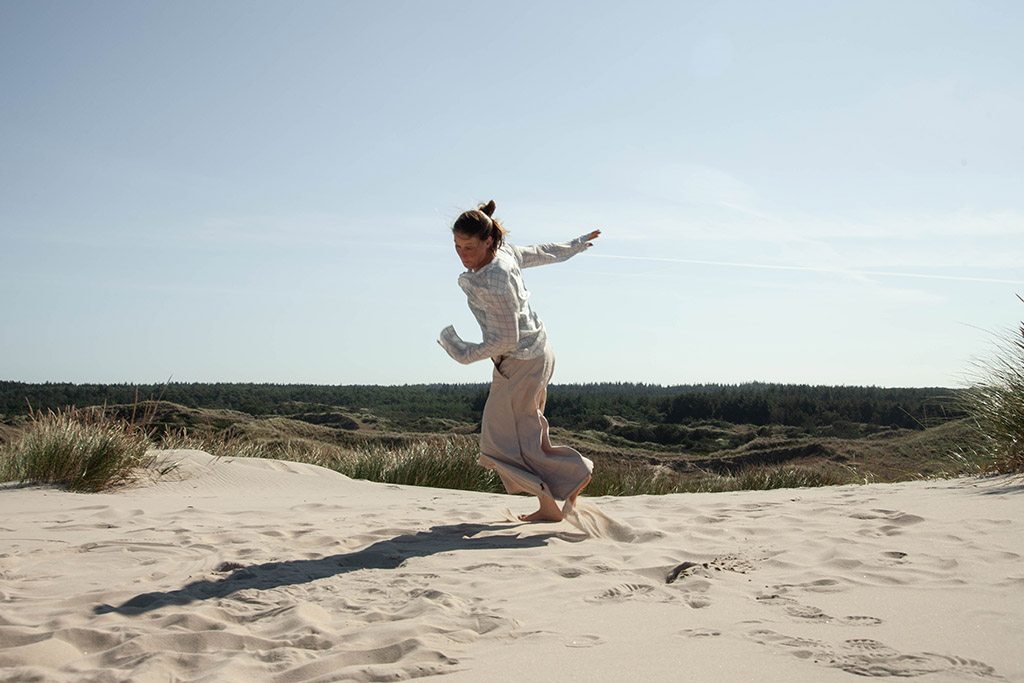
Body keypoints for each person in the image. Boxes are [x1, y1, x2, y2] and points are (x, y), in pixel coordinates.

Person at [438, 199, 600, 522]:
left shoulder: (492, 279)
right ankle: (554, 499)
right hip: (538, 353)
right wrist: (576, 244)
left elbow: (505, 340)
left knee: (499, 442)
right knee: (526, 434)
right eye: (457, 246)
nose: (463, 255)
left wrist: (460, 351)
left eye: (469, 247)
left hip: (520, 361)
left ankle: (567, 484)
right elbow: (542, 252)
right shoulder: (503, 252)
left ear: (487, 241)